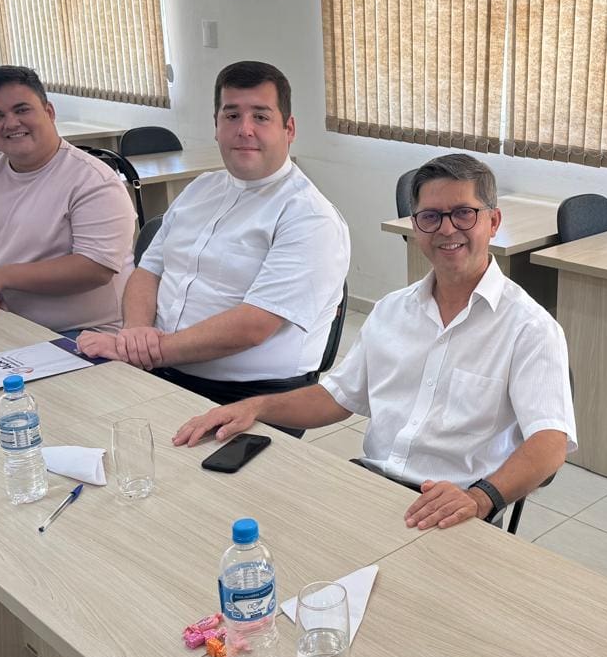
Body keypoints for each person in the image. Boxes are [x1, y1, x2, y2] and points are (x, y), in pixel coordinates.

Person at [172, 153, 576, 530]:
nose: (447, 229)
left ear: (493, 221)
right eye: (430, 216)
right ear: (415, 226)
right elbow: (337, 398)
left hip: (456, 509)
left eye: (463, 213)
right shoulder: (391, 311)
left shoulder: (530, 328)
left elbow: (550, 442)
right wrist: (256, 406)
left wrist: (481, 497)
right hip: (369, 488)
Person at [76, 61, 349, 405]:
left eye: (261, 117)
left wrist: (144, 350)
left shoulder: (309, 217)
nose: (244, 129)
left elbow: (254, 326)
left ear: (288, 128)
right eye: (231, 116)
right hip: (159, 368)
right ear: (216, 126)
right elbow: (148, 271)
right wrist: (134, 334)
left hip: (248, 398)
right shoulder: (200, 189)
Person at [0, 65, 136, 335]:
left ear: (49, 112)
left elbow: (94, 268)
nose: (11, 123)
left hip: (80, 332)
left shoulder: (93, 179)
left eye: (21, 110)